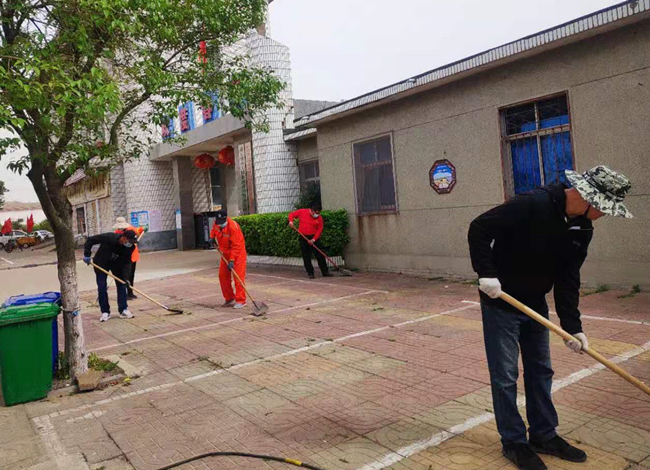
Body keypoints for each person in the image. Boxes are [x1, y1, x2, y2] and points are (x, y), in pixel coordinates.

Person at [467, 166, 632, 470]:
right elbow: (479, 228)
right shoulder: (533, 204)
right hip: (501, 301)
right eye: (605, 208)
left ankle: (543, 435)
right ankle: (514, 442)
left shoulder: (582, 228)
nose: (605, 215)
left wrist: (573, 327)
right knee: (505, 376)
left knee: (541, 371)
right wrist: (486, 274)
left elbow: (568, 277)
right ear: (589, 199)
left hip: (535, 304)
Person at [83, 229, 139, 322]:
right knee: (102, 287)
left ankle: (123, 309)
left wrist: (126, 278)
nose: (131, 244)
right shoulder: (109, 237)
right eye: (130, 241)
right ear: (124, 238)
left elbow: (127, 263)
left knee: (122, 284)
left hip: (116, 264)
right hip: (101, 263)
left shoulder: (130, 247)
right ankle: (105, 312)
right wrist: (87, 254)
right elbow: (90, 240)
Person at [209, 210, 247, 309]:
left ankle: (241, 300)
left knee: (238, 277)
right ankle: (229, 298)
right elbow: (214, 230)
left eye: (222, 221)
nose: (220, 223)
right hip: (225, 253)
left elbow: (236, 246)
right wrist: (212, 237)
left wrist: (232, 260)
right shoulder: (217, 223)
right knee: (223, 276)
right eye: (218, 221)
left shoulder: (233, 227)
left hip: (238, 254)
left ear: (226, 218)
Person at [288, 203, 331, 279]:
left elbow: (319, 229)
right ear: (312, 210)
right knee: (306, 256)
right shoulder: (302, 212)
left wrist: (313, 239)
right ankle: (310, 273)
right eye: (316, 213)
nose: (317, 215)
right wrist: (291, 221)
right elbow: (291, 214)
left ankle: (325, 272)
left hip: (314, 238)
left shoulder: (319, 218)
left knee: (320, 255)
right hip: (303, 237)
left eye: (318, 213)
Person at [113, 217, 145, 300]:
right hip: (123, 257)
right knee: (125, 276)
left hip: (132, 256)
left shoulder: (131, 230)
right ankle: (125, 293)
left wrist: (144, 228)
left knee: (130, 275)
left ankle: (130, 293)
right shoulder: (116, 232)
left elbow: (139, 230)